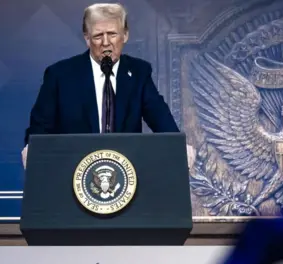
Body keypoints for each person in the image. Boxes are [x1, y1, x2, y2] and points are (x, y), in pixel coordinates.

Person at [21, 3, 181, 167]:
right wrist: (33, 149)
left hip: (125, 173)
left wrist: (179, 146)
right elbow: (40, 129)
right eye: (98, 36)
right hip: (72, 171)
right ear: (87, 38)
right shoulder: (59, 76)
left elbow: (161, 119)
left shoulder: (139, 73)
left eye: (112, 34)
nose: (106, 42)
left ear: (125, 35)